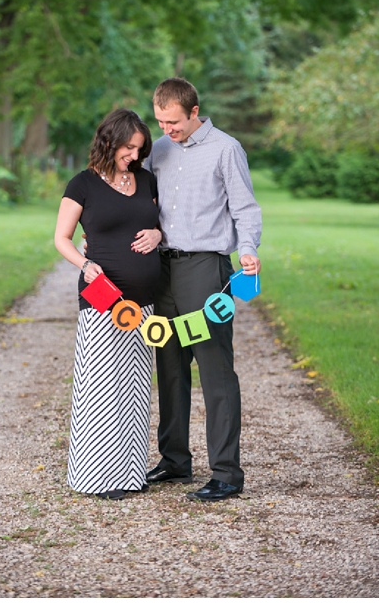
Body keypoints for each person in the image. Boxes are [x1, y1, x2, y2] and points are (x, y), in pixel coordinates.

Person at [143, 76, 262, 502]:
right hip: (163, 271)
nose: (166, 130)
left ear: (194, 112)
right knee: (170, 366)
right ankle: (175, 461)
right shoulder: (157, 150)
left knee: (213, 368)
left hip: (206, 270)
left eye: (173, 122)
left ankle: (227, 473)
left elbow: (245, 208)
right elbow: (137, 200)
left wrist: (247, 249)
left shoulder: (226, 148)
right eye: (160, 122)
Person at [54, 109, 163, 500]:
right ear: (110, 141)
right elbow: (62, 238)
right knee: (100, 385)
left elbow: (158, 220)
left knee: (133, 387)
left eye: (139, 149)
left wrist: (157, 232)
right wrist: (85, 265)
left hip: (144, 300)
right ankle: (95, 476)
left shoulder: (146, 179)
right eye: (128, 148)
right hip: (101, 296)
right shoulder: (82, 184)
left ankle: (130, 474)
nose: (134, 156)